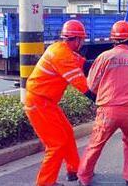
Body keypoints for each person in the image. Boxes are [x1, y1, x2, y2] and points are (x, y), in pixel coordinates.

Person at [24, 20, 96, 186]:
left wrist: (107, 62)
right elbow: (82, 85)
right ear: (76, 39)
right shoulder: (62, 56)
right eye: (82, 40)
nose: (83, 43)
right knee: (56, 144)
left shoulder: (61, 49)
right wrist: (101, 99)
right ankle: (45, 183)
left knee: (67, 133)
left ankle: (74, 170)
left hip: (45, 102)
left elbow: (84, 64)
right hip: (39, 102)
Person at [78, 21, 128, 186]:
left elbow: (91, 84)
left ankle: (84, 177)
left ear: (113, 39)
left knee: (96, 144)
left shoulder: (105, 57)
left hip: (109, 111)